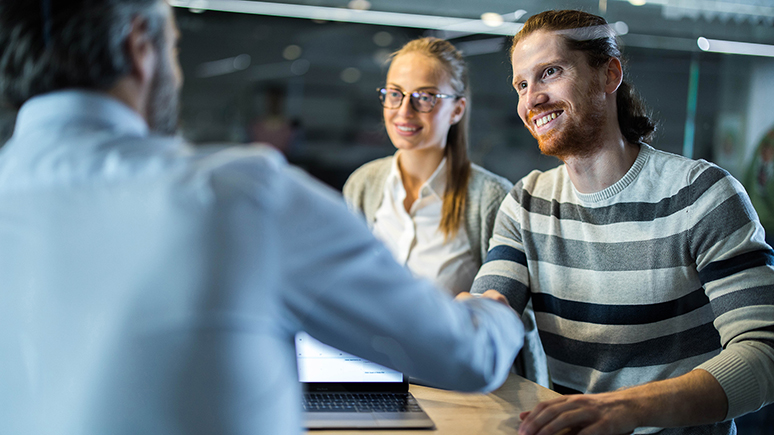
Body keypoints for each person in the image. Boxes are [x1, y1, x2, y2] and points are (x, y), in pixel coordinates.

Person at [0, 1, 525, 434]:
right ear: (142, 47)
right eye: (177, 49)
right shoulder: (242, 196)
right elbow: (467, 355)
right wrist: (497, 311)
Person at [467, 9, 774, 435]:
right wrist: (477, 317)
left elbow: (764, 353)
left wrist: (626, 409)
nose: (531, 98)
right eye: (522, 84)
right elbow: (494, 304)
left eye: (550, 72)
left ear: (609, 75)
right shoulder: (527, 202)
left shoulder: (701, 194)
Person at [342, 36, 548, 386]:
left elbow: (515, 322)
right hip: (371, 381)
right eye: (395, 94)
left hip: (456, 388)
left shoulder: (490, 197)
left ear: (456, 109)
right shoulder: (363, 186)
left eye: (425, 97)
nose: (404, 111)